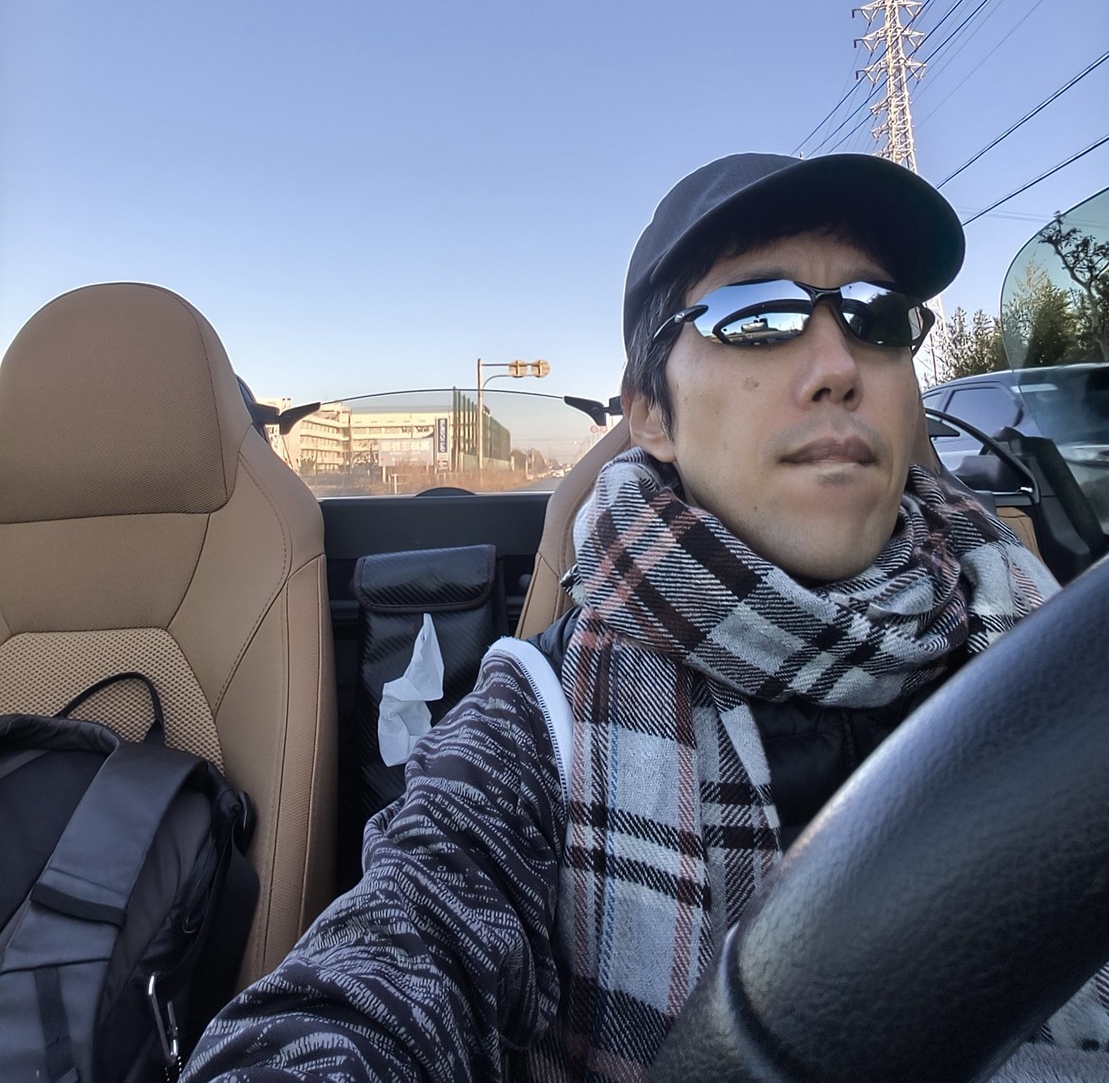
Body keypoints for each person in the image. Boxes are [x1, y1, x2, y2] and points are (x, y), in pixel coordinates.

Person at [185, 152, 1097, 1083]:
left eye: (876, 317)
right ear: (650, 415)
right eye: (757, 317)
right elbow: (380, 968)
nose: (836, 367)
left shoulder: (1064, 656)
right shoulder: (541, 722)